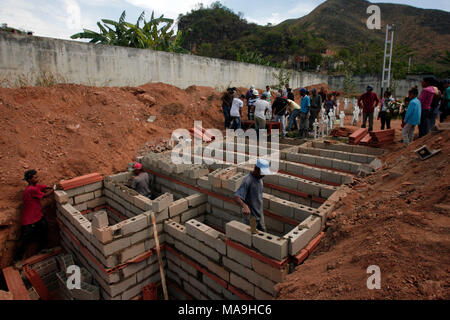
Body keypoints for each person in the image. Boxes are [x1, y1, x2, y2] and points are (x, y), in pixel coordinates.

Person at [13, 170, 54, 264]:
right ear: (29, 180)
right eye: (35, 177)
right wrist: (54, 190)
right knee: (25, 240)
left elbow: (41, 187)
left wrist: (48, 187)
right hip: (30, 220)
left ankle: (42, 249)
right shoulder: (31, 189)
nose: (37, 178)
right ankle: (17, 260)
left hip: (38, 216)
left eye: (37, 176)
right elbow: (45, 195)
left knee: (44, 230)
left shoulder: (34, 186)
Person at [234, 159, 272, 232]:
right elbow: (236, 197)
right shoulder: (248, 181)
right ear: (257, 170)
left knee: (264, 234)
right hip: (252, 219)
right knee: (253, 238)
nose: (264, 175)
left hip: (260, 215)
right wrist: (245, 206)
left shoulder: (260, 179)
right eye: (263, 172)